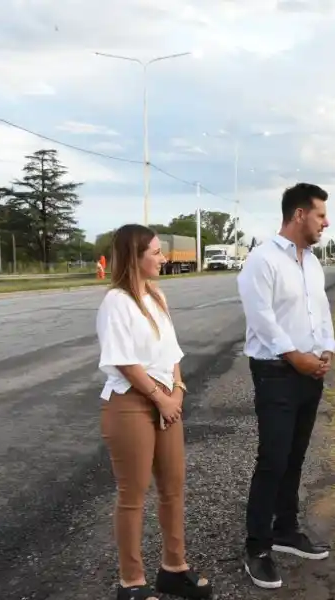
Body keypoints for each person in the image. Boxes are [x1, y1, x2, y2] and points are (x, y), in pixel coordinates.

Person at [96, 224, 212, 600]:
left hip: (166, 399)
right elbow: (125, 362)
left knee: (173, 488)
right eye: (157, 252)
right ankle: (131, 582)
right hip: (131, 402)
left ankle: (173, 569)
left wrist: (176, 390)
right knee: (133, 494)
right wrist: (159, 398)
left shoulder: (156, 296)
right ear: (135, 256)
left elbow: (172, 353)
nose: (163, 259)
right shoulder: (117, 301)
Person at [236, 183, 335, 590]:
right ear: (298, 214)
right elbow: (261, 317)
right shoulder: (262, 260)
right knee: (273, 459)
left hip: (310, 372)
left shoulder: (312, 262)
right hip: (276, 372)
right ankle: (257, 546)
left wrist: (326, 349)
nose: (325, 222)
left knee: (295, 456)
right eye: (320, 215)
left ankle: (286, 529)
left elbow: (321, 314)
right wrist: (294, 355)